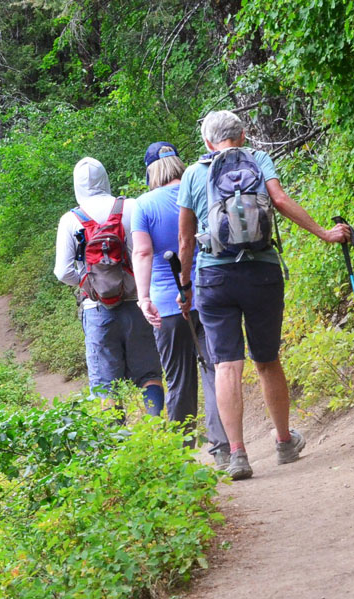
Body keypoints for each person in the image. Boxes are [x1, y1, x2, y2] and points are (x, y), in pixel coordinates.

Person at [177, 110, 351, 479]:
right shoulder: (258, 159)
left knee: (226, 364)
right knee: (267, 359)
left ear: (207, 142)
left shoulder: (193, 173)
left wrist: (185, 287)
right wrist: (325, 233)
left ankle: (238, 454)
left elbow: (184, 239)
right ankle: (285, 443)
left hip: (214, 277)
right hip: (262, 271)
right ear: (241, 137)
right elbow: (282, 202)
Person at [131, 142, 231, 468]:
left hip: (167, 304)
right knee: (217, 371)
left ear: (150, 170)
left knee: (178, 380)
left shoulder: (143, 205)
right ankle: (224, 448)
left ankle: (181, 459)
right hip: (209, 292)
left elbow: (143, 253)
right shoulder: (201, 189)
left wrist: (143, 297)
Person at [54, 157, 165, 416]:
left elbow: (62, 271)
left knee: (105, 385)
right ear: (105, 178)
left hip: (97, 310)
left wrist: (90, 285)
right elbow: (149, 250)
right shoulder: (132, 206)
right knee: (149, 374)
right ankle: (157, 432)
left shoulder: (70, 220)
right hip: (139, 303)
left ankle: (118, 446)